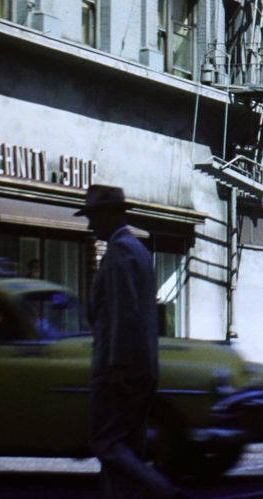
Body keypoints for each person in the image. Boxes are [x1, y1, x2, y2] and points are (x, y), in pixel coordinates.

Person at [78, 184, 180, 499]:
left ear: (111, 215)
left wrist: (117, 365)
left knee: (106, 442)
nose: (90, 225)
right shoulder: (139, 249)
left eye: (94, 217)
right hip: (145, 367)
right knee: (127, 450)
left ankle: (165, 492)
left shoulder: (120, 250)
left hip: (121, 370)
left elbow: (124, 311)